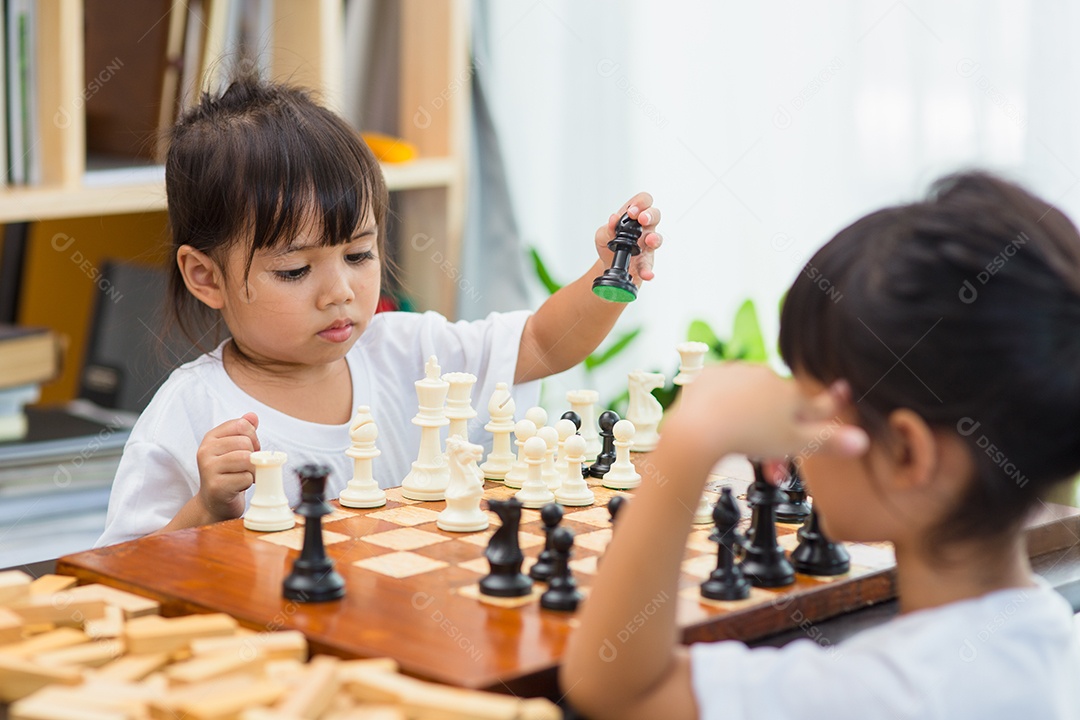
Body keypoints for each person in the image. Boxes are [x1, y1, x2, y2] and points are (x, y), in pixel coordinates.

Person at [562, 172, 1080, 719]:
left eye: (808, 407)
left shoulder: (874, 696)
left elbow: (615, 689)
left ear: (907, 454)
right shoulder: (1050, 636)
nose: (797, 446)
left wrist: (694, 434)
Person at [96, 76, 663, 547]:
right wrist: (203, 508)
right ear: (206, 277)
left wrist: (611, 274)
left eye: (359, 254)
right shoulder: (190, 412)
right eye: (295, 271)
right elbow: (118, 582)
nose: (339, 291)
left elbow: (541, 343)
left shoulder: (407, 353)